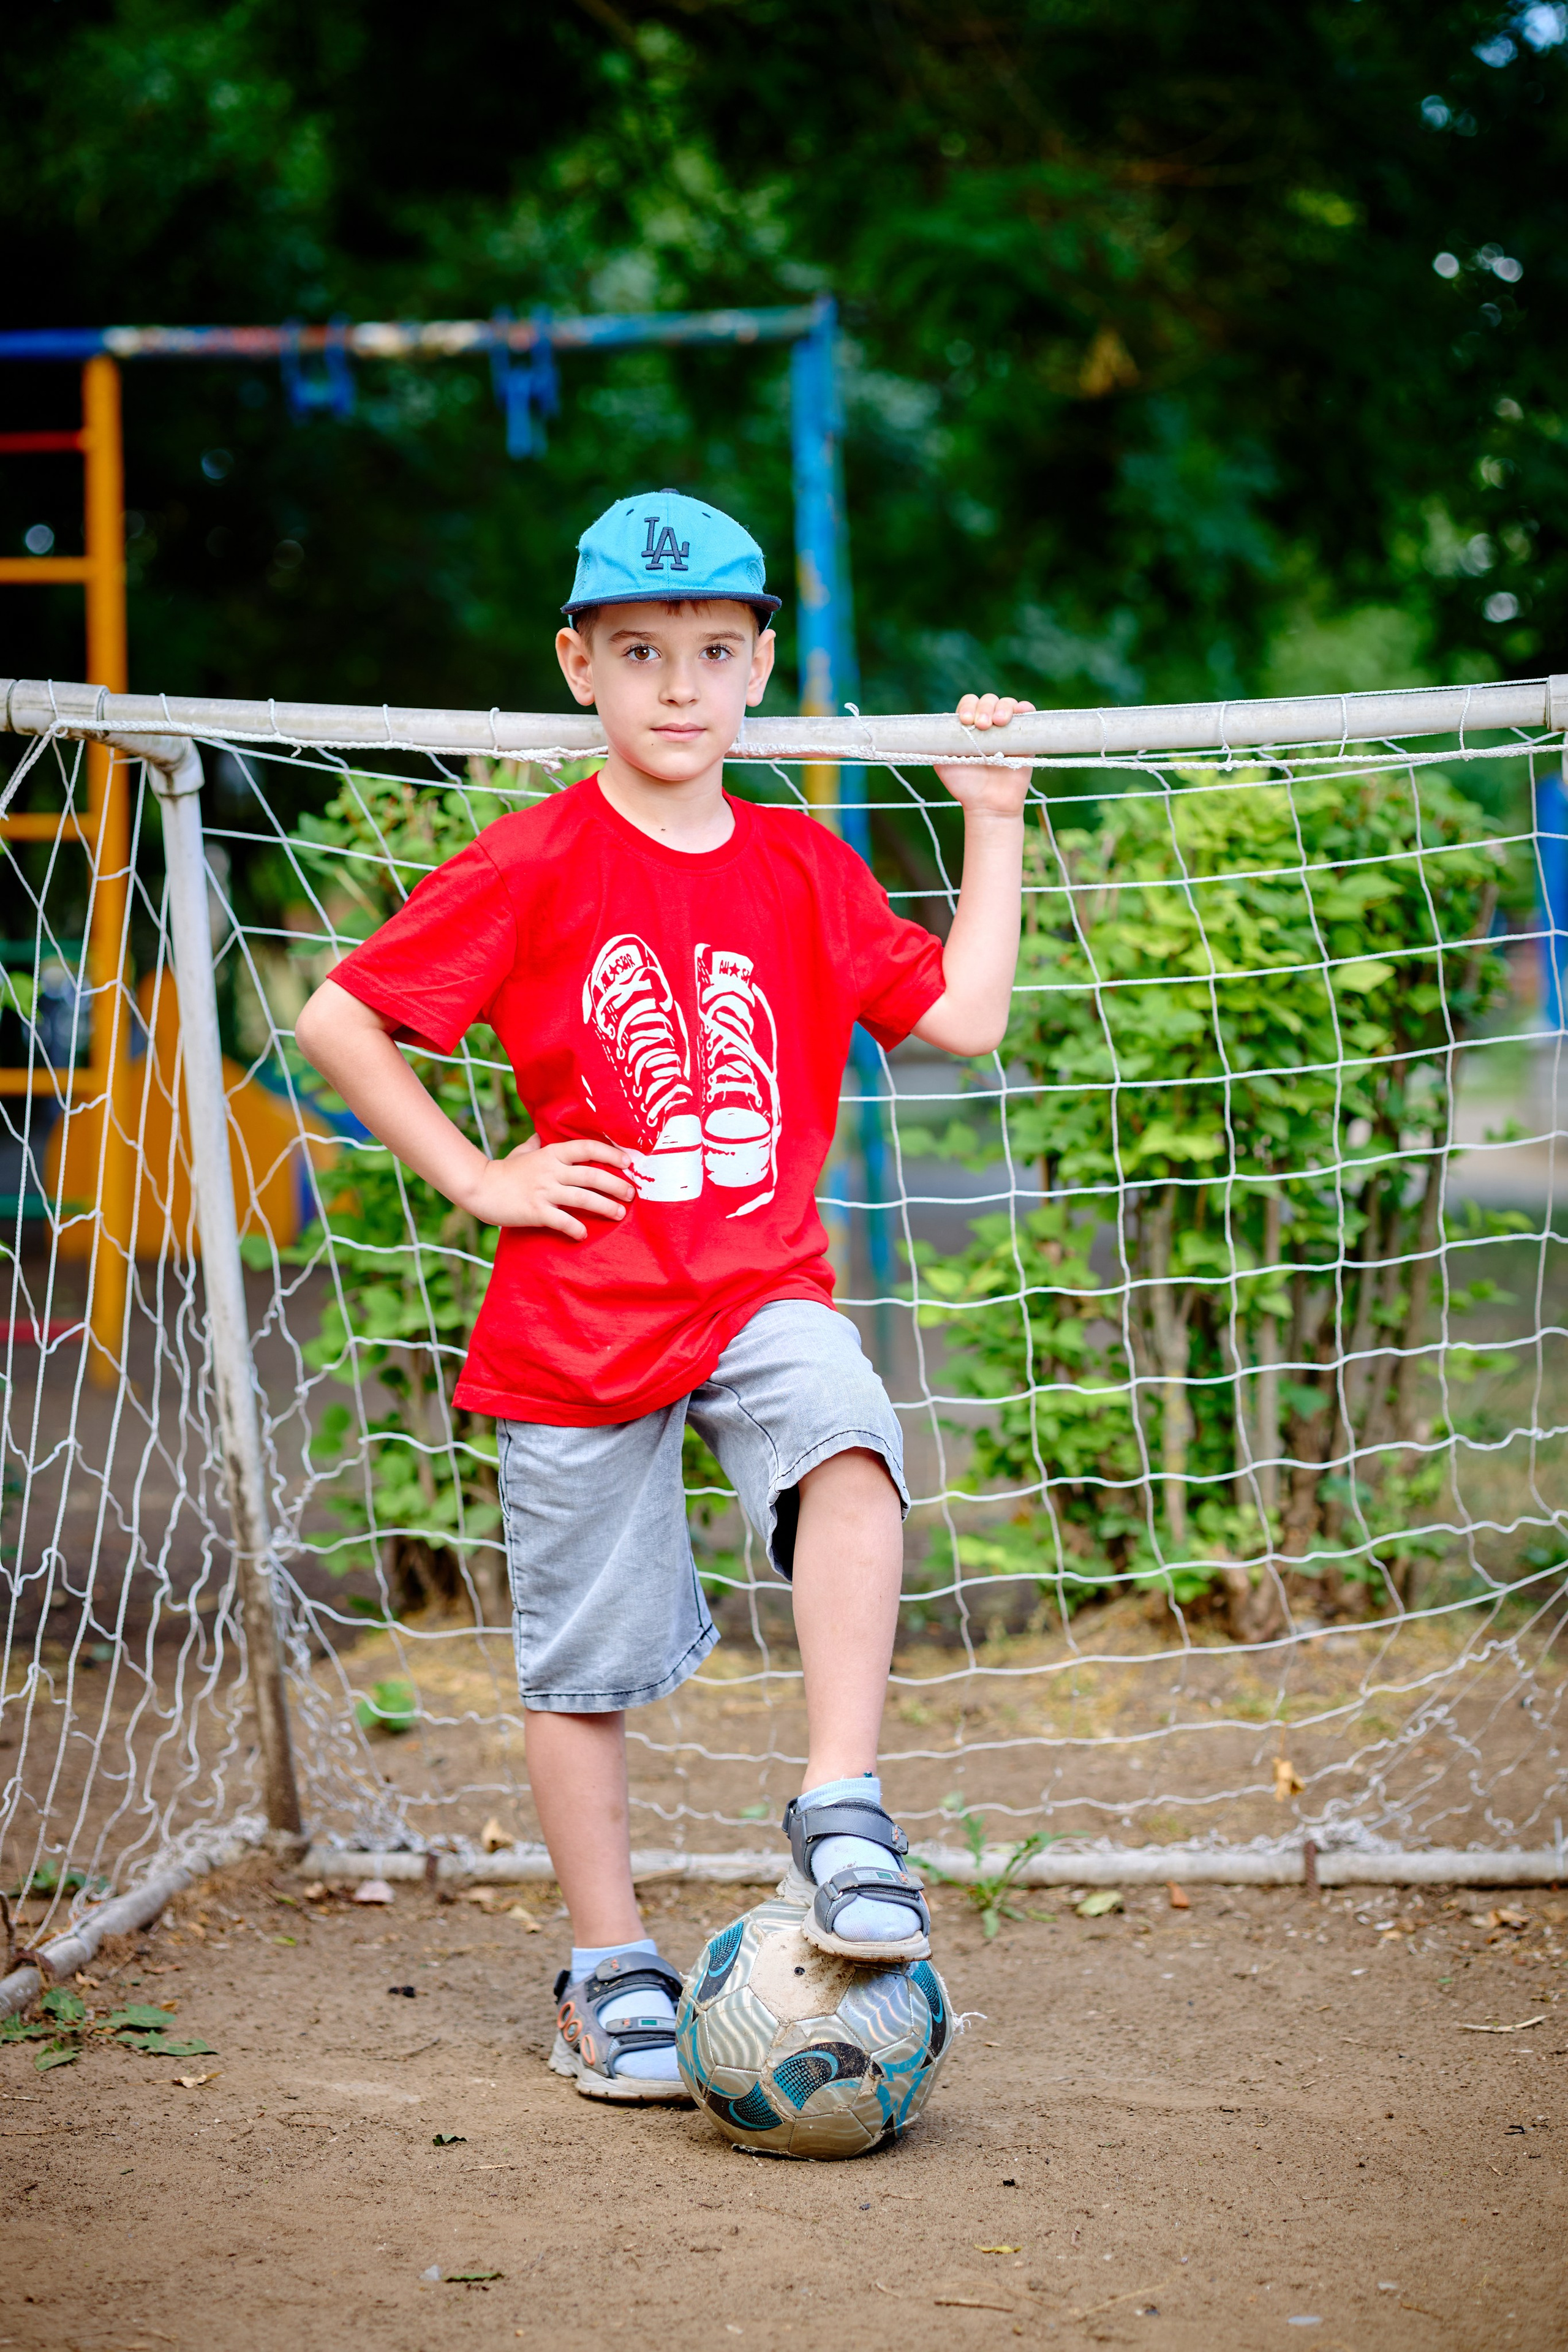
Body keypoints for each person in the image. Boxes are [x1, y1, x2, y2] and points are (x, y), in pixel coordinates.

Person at [295, 489, 1032, 2102]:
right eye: (638, 652)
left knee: (850, 1433)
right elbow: (339, 1019)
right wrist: (479, 1178)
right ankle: (608, 1964)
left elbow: (968, 1019)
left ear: (761, 664)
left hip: (756, 1285)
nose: (678, 685)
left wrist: (993, 816)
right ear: (580, 668)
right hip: (575, 1318)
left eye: (712, 650)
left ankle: (842, 1807)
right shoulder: (534, 858)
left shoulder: (803, 863)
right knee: (584, 1665)